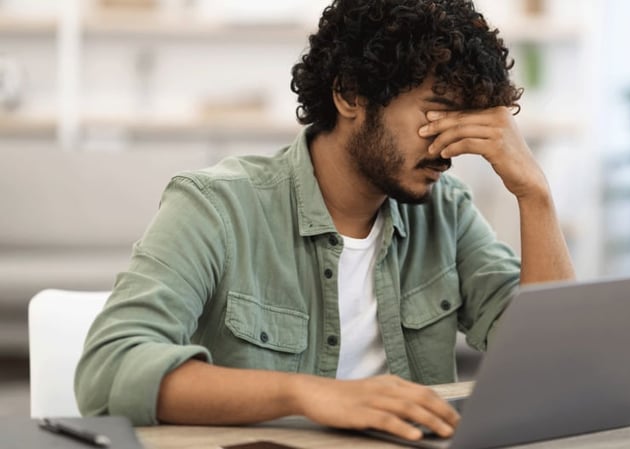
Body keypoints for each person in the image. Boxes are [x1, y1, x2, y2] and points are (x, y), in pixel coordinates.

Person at [75, 0, 575, 442]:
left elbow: (552, 365)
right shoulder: (216, 207)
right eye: (437, 113)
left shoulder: (447, 212)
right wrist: (306, 394)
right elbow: (109, 369)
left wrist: (534, 194)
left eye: (468, 122)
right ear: (350, 95)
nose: (449, 146)